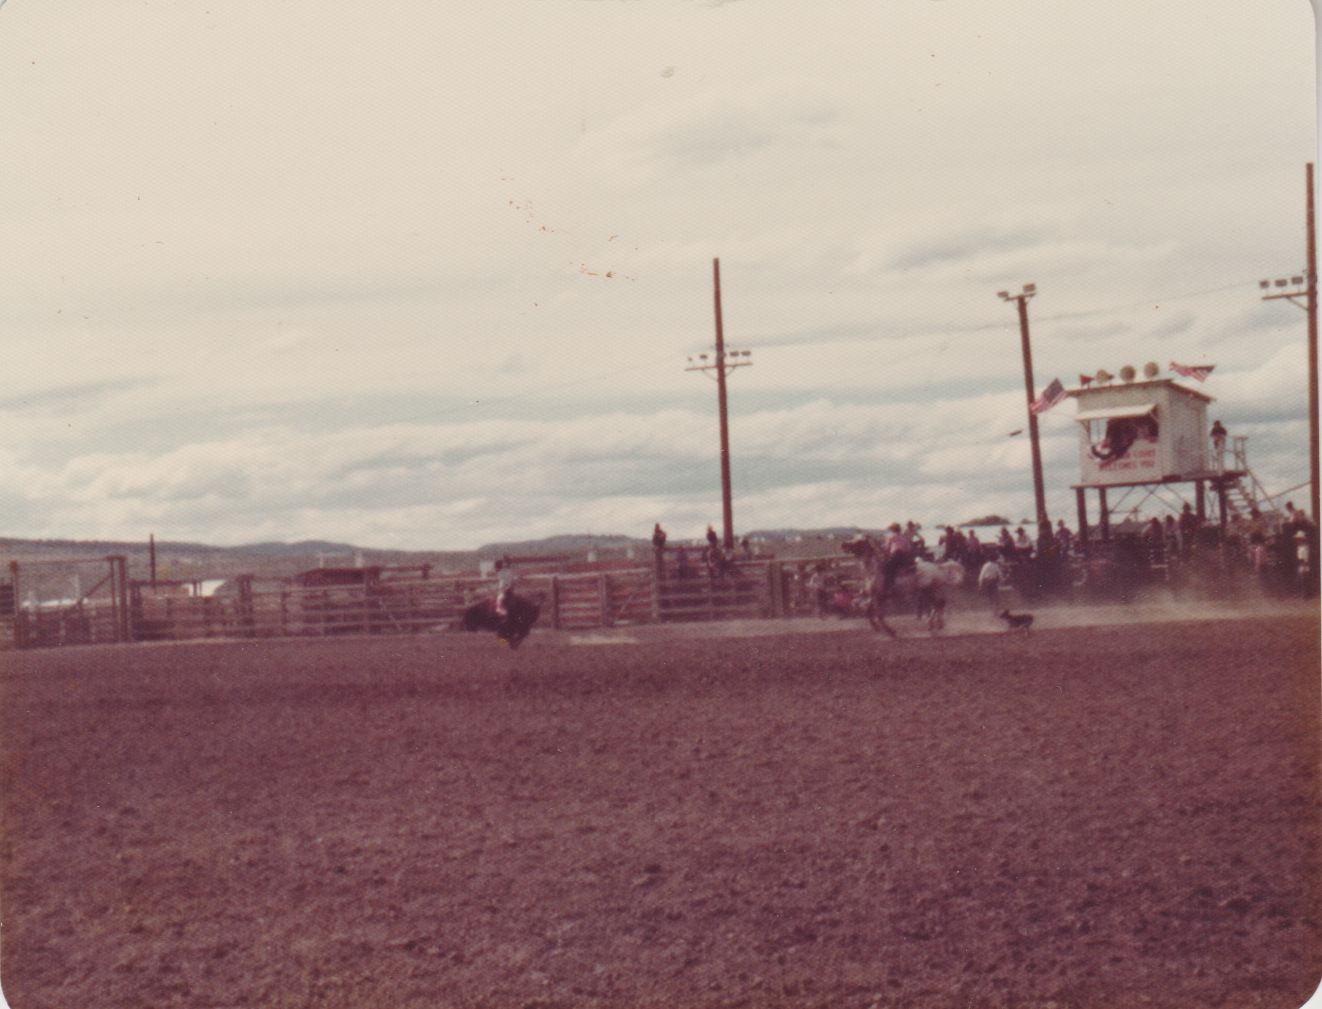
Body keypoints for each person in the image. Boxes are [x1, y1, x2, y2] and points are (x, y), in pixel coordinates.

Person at [881, 523, 914, 601]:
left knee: (886, 568)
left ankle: (888, 587)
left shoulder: (891, 536)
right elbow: (908, 549)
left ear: (893, 529)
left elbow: (887, 547)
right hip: (903, 557)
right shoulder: (903, 537)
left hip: (895, 555)